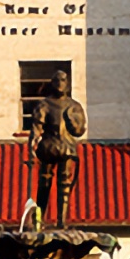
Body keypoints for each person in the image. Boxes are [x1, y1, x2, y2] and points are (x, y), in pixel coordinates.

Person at [30, 70, 88, 226]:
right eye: (57, 81)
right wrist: (32, 141)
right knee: (44, 183)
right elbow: (37, 126)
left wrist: (71, 120)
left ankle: (61, 220)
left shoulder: (73, 106)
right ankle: (39, 218)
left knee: (64, 183)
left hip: (66, 147)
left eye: (63, 80)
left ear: (67, 83)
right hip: (48, 146)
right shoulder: (45, 104)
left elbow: (79, 130)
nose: (60, 84)